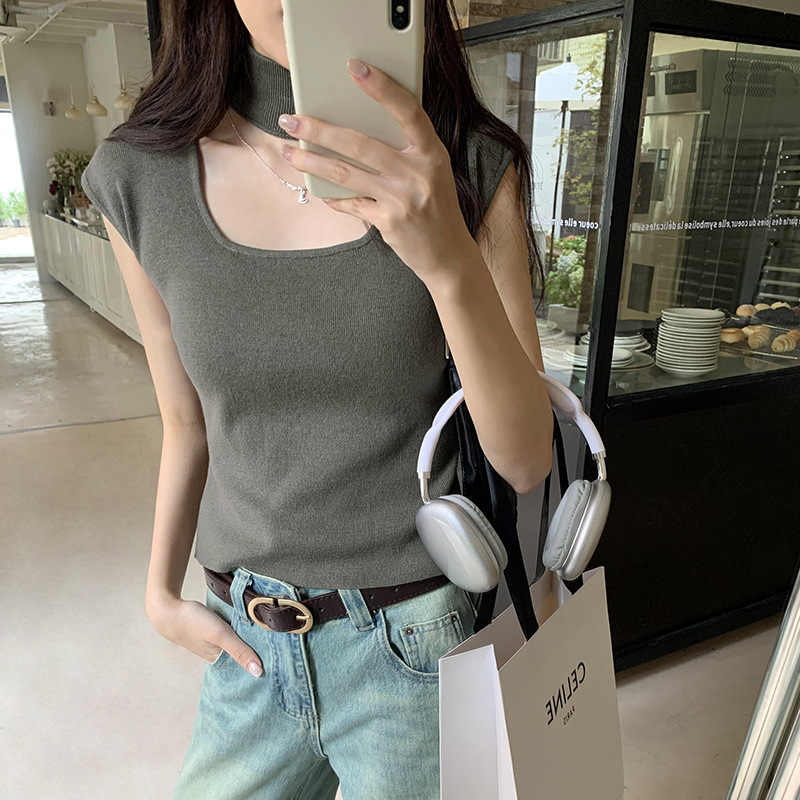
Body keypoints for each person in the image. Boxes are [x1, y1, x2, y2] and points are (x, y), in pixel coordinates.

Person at [80, 0, 554, 797]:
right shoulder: (141, 177)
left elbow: (527, 457)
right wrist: (160, 594)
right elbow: (186, 421)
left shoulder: (466, 163)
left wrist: (446, 260)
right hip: (248, 641)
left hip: (415, 639)